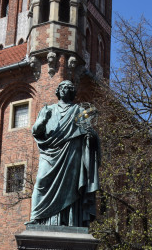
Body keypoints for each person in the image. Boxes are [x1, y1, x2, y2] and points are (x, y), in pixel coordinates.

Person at [29, 79, 100, 227]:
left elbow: (90, 133)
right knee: (41, 181)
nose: (65, 89)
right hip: (50, 153)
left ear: (72, 92)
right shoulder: (48, 109)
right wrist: (42, 121)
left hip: (72, 152)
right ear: (58, 91)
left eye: (69, 87)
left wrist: (90, 136)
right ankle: (36, 217)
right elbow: (36, 131)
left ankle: (69, 221)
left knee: (71, 188)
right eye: (62, 87)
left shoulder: (79, 111)